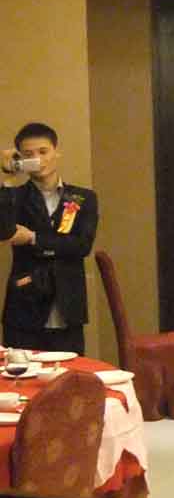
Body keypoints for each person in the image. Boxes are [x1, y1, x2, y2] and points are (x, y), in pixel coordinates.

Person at [0, 123, 98, 354]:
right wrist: (6, 178)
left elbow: (81, 245)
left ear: (56, 152)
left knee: (71, 372)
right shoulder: (13, 196)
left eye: (43, 151)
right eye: (29, 155)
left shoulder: (82, 197)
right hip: (24, 304)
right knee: (23, 372)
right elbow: (5, 232)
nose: (38, 159)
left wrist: (33, 238)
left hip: (68, 304)